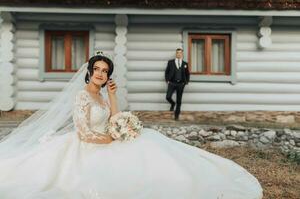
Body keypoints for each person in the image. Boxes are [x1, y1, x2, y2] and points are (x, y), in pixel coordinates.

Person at [0, 53, 263, 199]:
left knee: (148, 140)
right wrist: (112, 141)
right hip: (87, 146)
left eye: (105, 71)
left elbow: (114, 118)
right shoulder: (81, 96)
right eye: (97, 69)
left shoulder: (102, 95)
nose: (101, 74)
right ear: (89, 71)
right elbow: (83, 132)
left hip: (106, 139)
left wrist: (114, 100)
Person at [165, 48, 190, 120]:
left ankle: (176, 116)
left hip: (181, 84)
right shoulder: (170, 62)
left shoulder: (185, 64)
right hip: (172, 83)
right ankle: (172, 103)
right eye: (177, 53)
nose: (178, 54)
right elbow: (166, 72)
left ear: (182, 54)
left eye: (180, 53)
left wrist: (186, 82)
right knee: (168, 97)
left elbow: (187, 74)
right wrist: (167, 80)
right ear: (176, 54)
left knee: (179, 100)